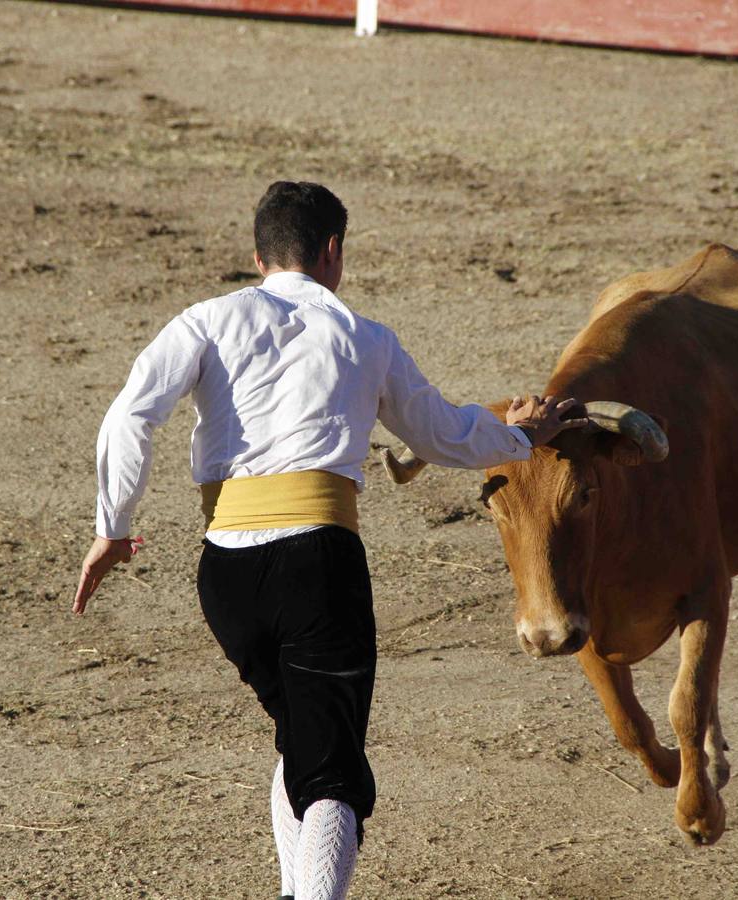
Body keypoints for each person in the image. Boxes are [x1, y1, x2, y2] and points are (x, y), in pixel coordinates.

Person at [71, 181, 583, 900]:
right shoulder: (364, 337)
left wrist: (112, 529)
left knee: (302, 739)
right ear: (334, 251)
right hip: (318, 565)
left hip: (226, 577)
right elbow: (444, 435)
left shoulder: (206, 320)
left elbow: (129, 416)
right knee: (334, 773)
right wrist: (524, 436)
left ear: (258, 256)